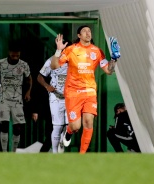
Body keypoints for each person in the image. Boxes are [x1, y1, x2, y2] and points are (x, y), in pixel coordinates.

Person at [50, 25, 120, 154]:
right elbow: (54, 66)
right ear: (79, 35)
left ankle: (82, 156)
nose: (88, 33)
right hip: (73, 92)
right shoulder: (71, 50)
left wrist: (114, 59)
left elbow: (109, 71)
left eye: (89, 31)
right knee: (76, 127)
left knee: (88, 122)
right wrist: (58, 51)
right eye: (84, 31)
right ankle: (68, 131)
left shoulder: (97, 51)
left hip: (89, 91)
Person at [0, 42, 32, 152]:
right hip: (4, 98)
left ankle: (13, 151)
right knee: (4, 124)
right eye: (13, 55)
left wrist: (28, 92)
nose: (15, 58)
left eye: (17, 56)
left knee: (17, 127)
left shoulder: (23, 65)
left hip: (17, 99)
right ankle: (4, 152)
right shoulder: (1, 63)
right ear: (9, 53)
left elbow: (29, 78)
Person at [37, 57, 68, 153]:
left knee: (67, 127)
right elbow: (40, 77)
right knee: (54, 128)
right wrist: (47, 86)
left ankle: (59, 150)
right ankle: (48, 153)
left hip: (70, 98)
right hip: (55, 99)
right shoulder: (51, 61)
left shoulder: (74, 59)